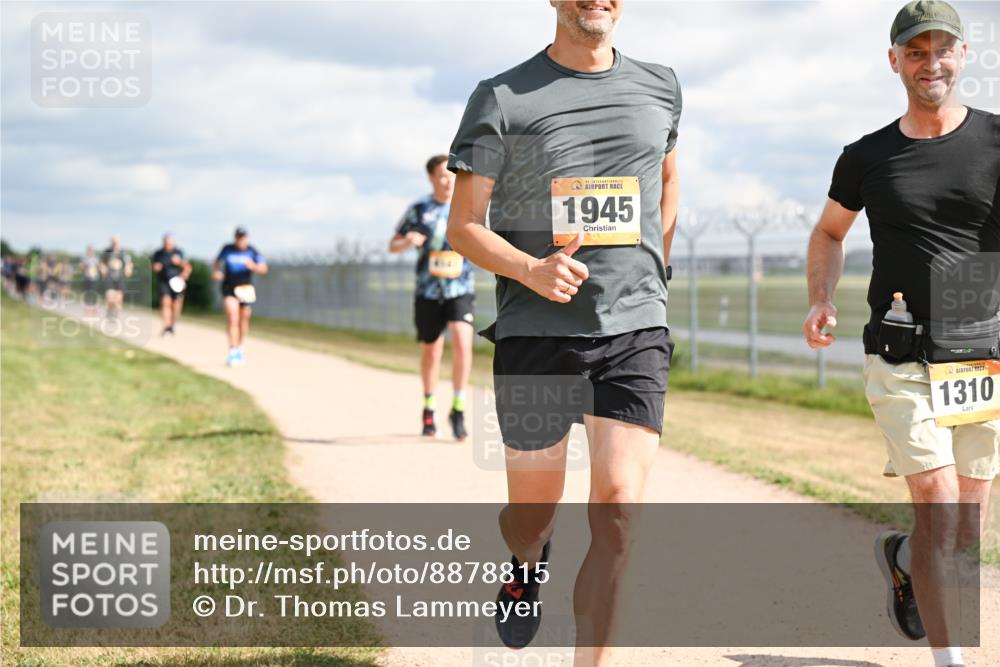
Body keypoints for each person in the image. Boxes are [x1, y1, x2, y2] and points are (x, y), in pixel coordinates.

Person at [446, 1, 681, 662]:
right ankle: (527, 559)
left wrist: (657, 264)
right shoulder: (502, 97)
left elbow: (666, 177)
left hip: (634, 327)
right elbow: (462, 224)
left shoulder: (661, 85)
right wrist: (531, 270)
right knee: (533, 516)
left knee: (617, 512)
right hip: (536, 332)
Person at [803, 3, 998, 666]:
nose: (930, 63)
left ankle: (905, 556)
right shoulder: (867, 156)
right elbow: (829, 232)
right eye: (916, 52)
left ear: (963, 56)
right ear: (895, 62)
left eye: (942, 49)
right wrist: (821, 298)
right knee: (941, 508)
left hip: (981, 354)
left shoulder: (998, 143)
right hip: (902, 351)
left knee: (961, 529)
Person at [389, 154, 476, 440]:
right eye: (441, 175)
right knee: (432, 350)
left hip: (459, 288)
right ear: (431, 178)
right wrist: (407, 241)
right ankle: (429, 407)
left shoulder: (466, 207)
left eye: (451, 175)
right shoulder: (419, 209)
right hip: (428, 291)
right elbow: (393, 245)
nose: (447, 180)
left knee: (463, 342)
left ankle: (459, 407)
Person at [213, 227, 267, 367]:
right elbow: (216, 262)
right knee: (233, 317)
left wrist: (253, 266)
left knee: (244, 318)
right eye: (238, 237)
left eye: (243, 237)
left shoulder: (252, 251)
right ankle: (233, 350)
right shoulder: (227, 249)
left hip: (245, 289)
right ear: (235, 237)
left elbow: (264, 268)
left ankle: (240, 346)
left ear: (247, 238)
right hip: (229, 288)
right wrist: (217, 271)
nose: (240, 240)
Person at [151, 233, 193, 336]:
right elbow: (153, 266)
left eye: (169, 242)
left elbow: (188, 267)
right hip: (164, 282)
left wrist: (183, 274)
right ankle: (166, 326)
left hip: (177, 283)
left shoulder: (179, 252)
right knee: (165, 302)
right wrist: (155, 267)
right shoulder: (158, 253)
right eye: (166, 242)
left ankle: (172, 325)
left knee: (176, 305)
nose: (167, 244)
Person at [100, 235, 133, 319]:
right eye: (113, 241)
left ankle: (115, 314)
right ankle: (110, 311)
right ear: (111, 242)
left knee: (118, 299)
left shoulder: (123, 252)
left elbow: (129, 263)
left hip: (120, 278)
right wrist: (103, 270)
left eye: (116, 241)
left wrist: (128, 269)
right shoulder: (107, 251)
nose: (114, 243)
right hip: (110, 277)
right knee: (110, 297)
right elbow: (101, 263)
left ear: (118, 242)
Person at [79, 245, 102, 315]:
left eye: (92, 250)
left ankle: (94, 308)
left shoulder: (96, 258)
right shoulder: (84, 258)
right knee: (87, 293)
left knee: (94, 293)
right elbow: (81, 269)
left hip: (94, 278)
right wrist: (85, 265)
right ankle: (87, 308)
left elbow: (99, 267)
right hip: (87, 277)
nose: (90, 251)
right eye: (89, 250)